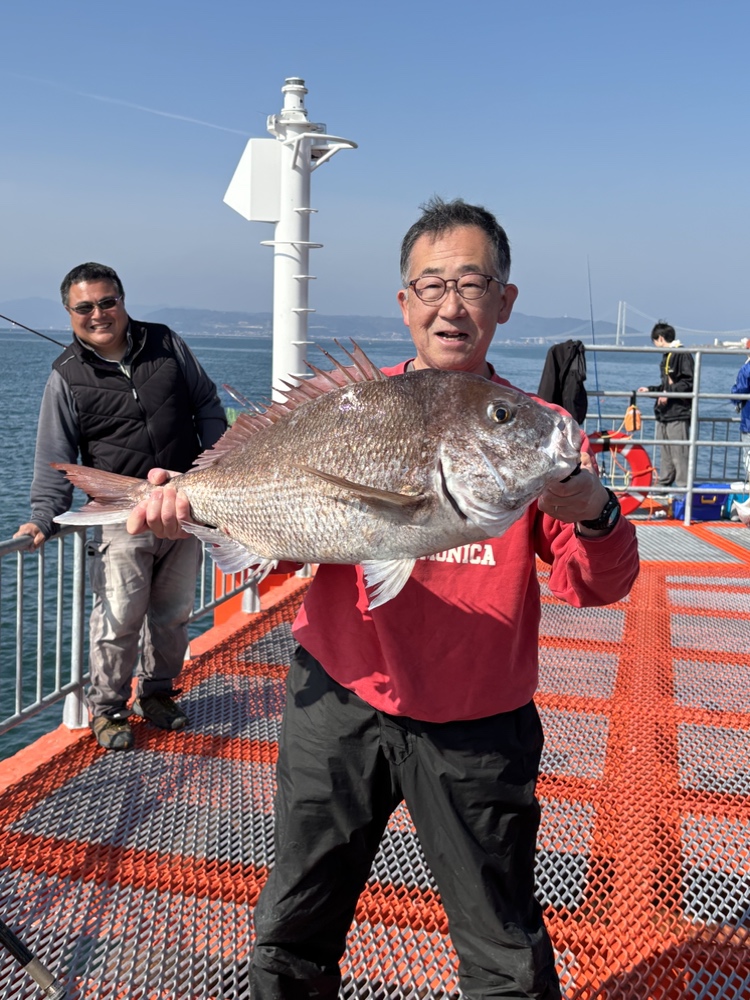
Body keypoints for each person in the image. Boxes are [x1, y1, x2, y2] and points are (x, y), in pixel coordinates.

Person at [131, 198, 640, 999]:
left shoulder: (533, 430)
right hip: (334, 706)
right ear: (404, 303)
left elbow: (598, 583)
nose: (451, 303)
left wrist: (600, 514)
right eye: (430, 284)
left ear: (505, 302)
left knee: (504, 953)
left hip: (479, 728)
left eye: (473, 283)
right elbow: (284, 544)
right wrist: (189, 500)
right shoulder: (353, 403)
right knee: (292, 928)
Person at [14, 262, 226, 752]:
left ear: (123, 301)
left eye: (107, 301)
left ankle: (158, 694)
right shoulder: (65, 375)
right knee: (118, 617)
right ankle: (108, 708)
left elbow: (207, 405)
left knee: (174, 614)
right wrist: (44, 514)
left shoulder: (166, 343)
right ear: (69, 313)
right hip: (120, 517)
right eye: (84, 307)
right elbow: (56, 456)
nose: (98, 314)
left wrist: (212, 473)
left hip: (183, 506)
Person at [637, 321, 694, 489]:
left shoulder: (680, 354)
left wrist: (667, 393)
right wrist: (652, 390)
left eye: (655, 341)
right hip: (665, 413)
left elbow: (688, 382)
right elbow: (668, 386)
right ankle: (664, 484)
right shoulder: (669, 356)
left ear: (660, 338)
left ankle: (683, 488)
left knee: (679, 453)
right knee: (666, 453)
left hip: (678, 412)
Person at [730, 341, 750, 484]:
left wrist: (733, 394)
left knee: (748, 459)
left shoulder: (746, 369)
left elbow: (740, 391)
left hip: (749, 422)